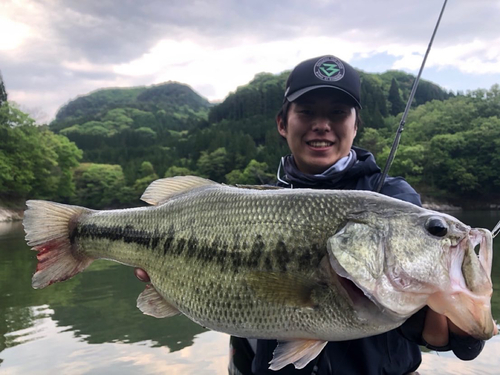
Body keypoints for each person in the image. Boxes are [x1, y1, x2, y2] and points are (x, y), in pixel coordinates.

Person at [135, 55, 485, 374]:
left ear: (355, 125)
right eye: (306, 112)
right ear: (282, 124)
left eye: (337, 113)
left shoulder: (393, 199)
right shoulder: (243, 207)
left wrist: (458, 330)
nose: (322, 125)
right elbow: (244, 323)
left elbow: (415, 309)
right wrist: (173, 281)